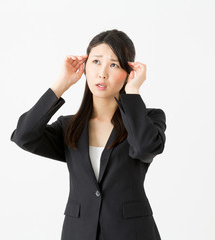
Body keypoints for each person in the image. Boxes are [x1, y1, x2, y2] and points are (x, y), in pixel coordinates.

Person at [10, 29, 166, 240]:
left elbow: (145, 148)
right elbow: (24, 136)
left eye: (114, 64)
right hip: (79, 232)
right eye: (96, 62)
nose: (102, 73)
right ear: (85, 67)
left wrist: (133, 93)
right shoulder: (70, 127)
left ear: (129, 72)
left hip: (132, 233)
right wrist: (61, 84)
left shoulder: (147, 119)